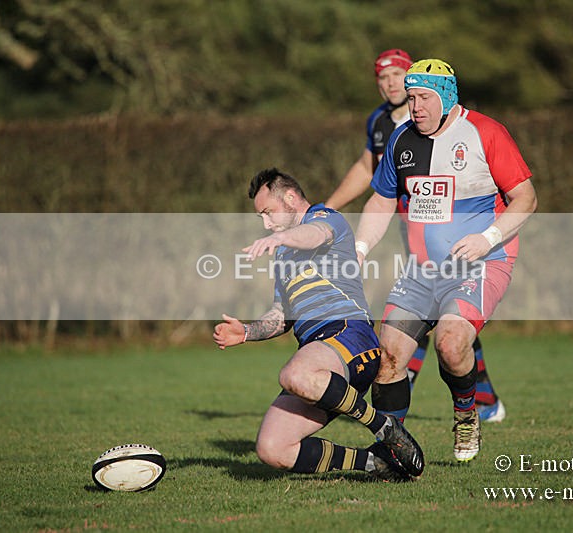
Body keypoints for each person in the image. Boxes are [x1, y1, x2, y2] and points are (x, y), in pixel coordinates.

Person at [353, 59, 537, 462]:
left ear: (447, 96)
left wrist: (486, 238)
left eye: (423, 97)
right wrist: (361, 250)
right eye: (412, 97)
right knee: (389, 355)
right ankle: (391, 448)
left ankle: (467, 414)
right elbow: (382, 201)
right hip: (422, 269)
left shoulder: (485, 133)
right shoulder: (402, 140)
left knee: (451, 345)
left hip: (482, 262)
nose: (414, 106)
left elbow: (526, 198)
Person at [325, 49, 506, 424]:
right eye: (383, 76)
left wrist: (488, 234)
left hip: (461, 246)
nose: (390, 83)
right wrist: (328, 209)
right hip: (414, 240)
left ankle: (470, 400)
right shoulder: (381, 124)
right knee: (438, 329)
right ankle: (467, 400)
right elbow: (368, 172)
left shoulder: (450, 125)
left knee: (448, 331)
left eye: (397, 75)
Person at [214, 168, 424, 481]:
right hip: (322, 361)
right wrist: (246, 332)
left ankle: (383, 425)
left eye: (268, 212)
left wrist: (282, 236)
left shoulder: (326, 218)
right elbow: (281, 315)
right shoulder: (283, 254)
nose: (266, 223)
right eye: (261, 217)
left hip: (349, 335)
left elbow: (316, 234)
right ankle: (376, 463)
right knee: (272, 448)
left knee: (294, 374)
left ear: (289, 197)